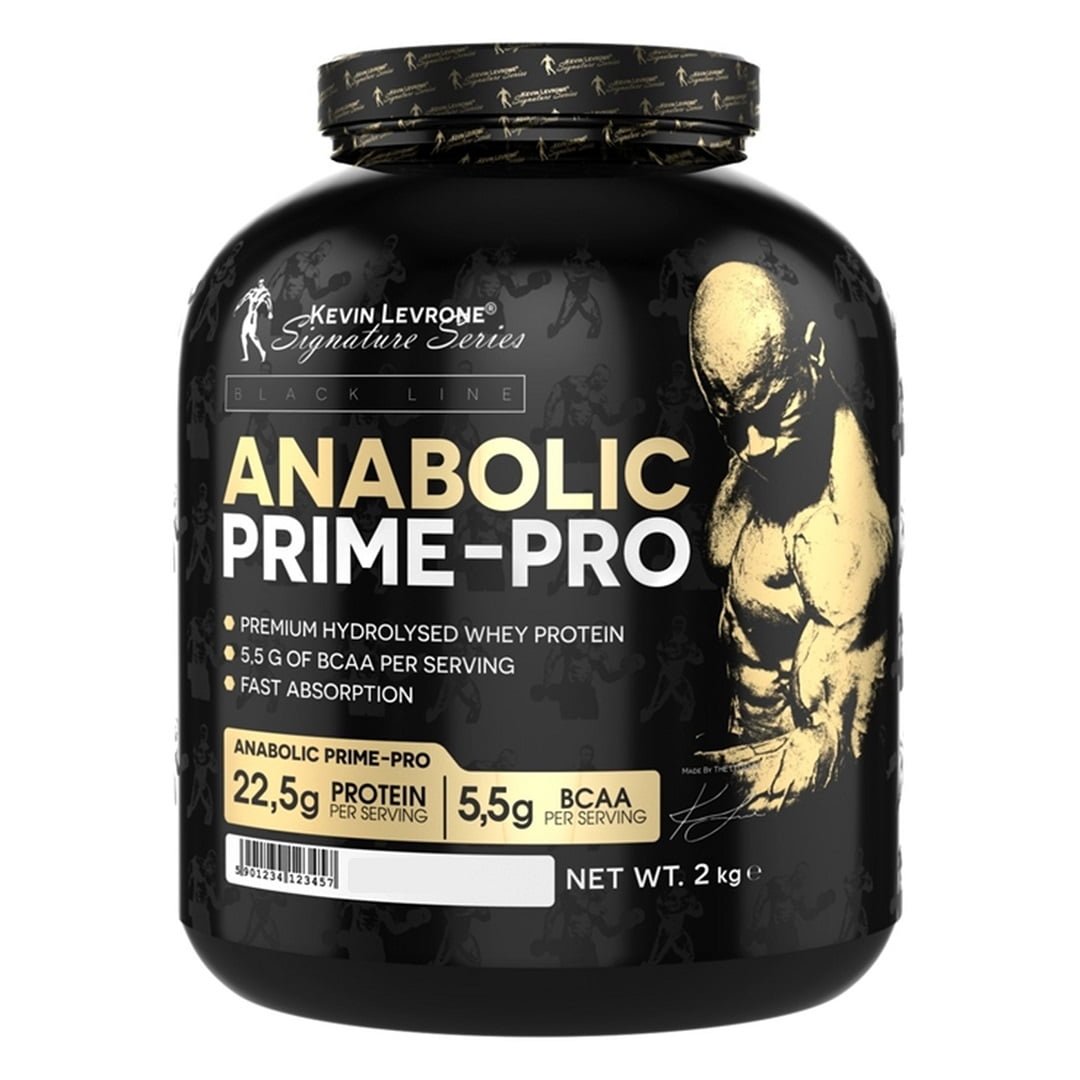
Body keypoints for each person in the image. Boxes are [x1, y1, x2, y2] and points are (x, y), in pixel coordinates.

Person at [689, 262, 892, 812]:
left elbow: (832, 753)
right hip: (736, 775)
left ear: (813, 352)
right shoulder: (764, 450)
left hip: (789, 822)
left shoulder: (840, 533)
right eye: (730, 419)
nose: (751, 445)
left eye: (770, 408)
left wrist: (679, 792)